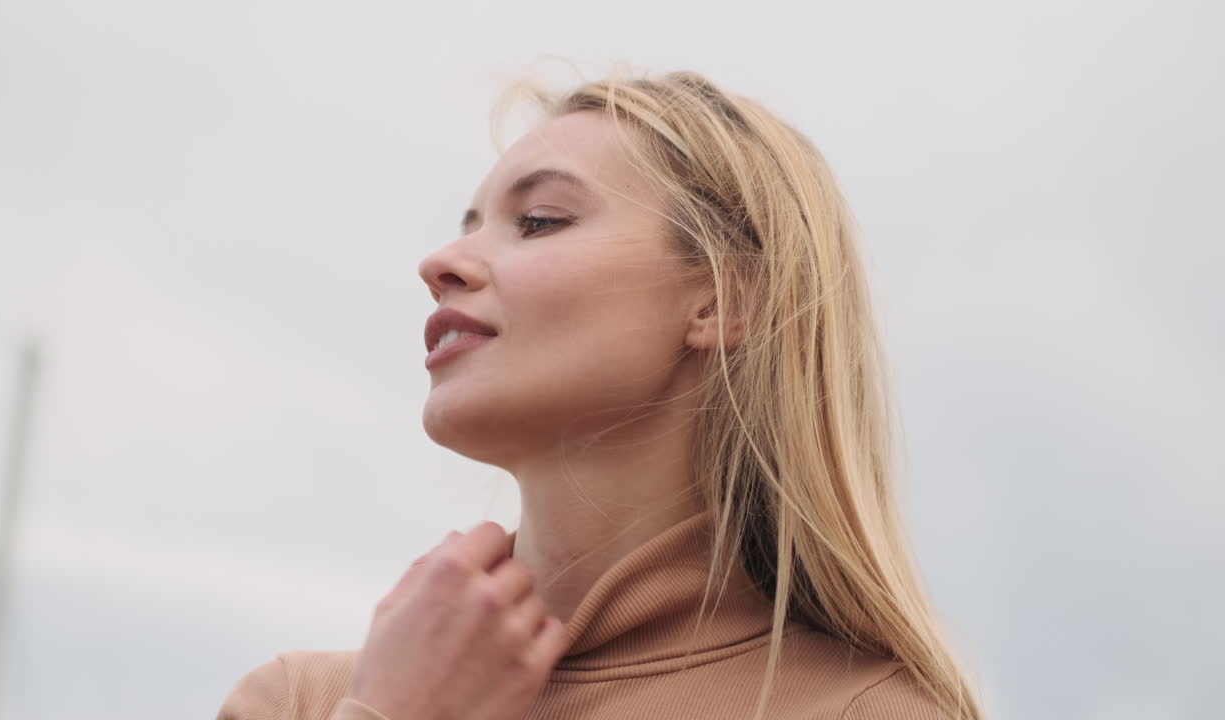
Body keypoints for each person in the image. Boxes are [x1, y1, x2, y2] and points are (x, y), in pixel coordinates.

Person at [217, 69, 984, 720]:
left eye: (539, 220)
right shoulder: (299, 702)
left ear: (722, 299)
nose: (441, 261)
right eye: (469, 224)